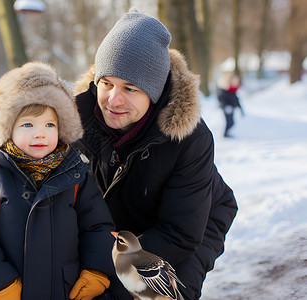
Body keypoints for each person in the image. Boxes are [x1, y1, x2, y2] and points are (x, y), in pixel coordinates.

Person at [73, 10, 238, 300]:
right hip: (118, 234)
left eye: (130, 88)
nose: (114, 99)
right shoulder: (72, 122)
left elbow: (180, 231)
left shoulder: (189, 138)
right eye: (107, 83)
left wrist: (109, 279)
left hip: (188, 230)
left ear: (154, 93)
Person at [0, 62, 115, 300]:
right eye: (28, 124)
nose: (40, 133)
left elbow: (98, 227)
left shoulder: (77, 178)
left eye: (50, 125)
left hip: (63, 290)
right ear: (8, 129)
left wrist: (96, 270)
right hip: (4, 293)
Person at [217, 73, 244, 137]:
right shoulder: (225, 88)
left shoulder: (233, 89)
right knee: (230, 122)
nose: (236, 81)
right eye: (234, 80)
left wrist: (241, 109)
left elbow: (236, 99)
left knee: (232, 122)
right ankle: (225, 134)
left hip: (231, 108)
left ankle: (227, 133)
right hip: (227, 108)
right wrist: (225, 106)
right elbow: (221, 98)